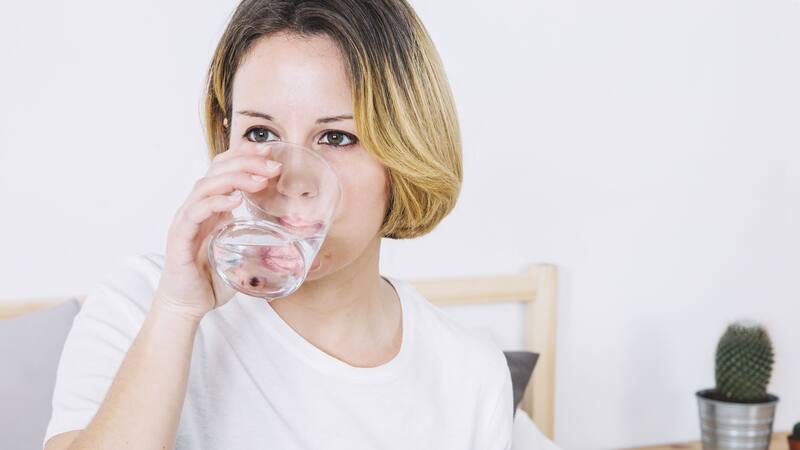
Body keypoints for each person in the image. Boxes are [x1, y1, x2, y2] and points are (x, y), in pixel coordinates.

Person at [43, 1, 514, 449]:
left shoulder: (469, 372)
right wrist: (176, 313)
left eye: (336, 137)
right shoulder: (142, 303)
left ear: (404, 151)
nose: (291, 177)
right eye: (261, 133)